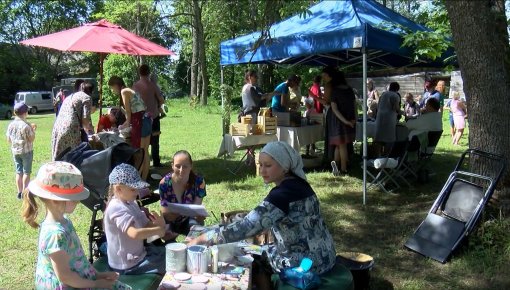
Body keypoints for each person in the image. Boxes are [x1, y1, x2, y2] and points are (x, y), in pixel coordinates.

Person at [188, 142, 336, 289]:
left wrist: (204, 238)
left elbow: (245, 227)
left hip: (303, 265)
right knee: (261, 248)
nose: (262, 171)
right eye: (260, 165)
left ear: (285, 167)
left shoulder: (281, 195)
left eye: (268, 166)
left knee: (251, 257)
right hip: (325, 255)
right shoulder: (302, 185)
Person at [21, 161, 126, 289]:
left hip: (79, 279)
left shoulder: (64, 221)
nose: (78, 201)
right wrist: (95, 284)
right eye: (74, 198)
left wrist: (97, 275)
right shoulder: (56, 235)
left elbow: (77, 259)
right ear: (55, 200)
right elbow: (65, 276)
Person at [104, 163, 166, 275]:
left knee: (168, 253)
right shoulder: (116, 207)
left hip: (138, 255)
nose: (137, 192)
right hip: (126, 266)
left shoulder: (131, 203)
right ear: (119, 189)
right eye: (133, 189)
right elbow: (134, 233)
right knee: (171, 261)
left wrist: (157, 224)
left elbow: (145, 226)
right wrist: (158, 230)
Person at [108, 76, 151, 180]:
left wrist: (121, 127)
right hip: (146, 120)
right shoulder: (130, 90)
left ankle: (138, 181)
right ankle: (143, 180)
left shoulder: (124, 92)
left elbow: (128, 114)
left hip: (139, 122)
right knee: (145, 152)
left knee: (139, 153)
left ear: (116, 85)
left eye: (112, 88)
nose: (113, 91)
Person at [159, 150, 207, 241]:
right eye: (178, 166)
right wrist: (171, 217)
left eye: (185, 166)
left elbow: (196, 208)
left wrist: (198, 216)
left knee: (196, 234)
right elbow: (165, 213)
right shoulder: (164, 183)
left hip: (189, 220)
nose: (181, 170)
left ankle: (189, 243)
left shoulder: (199, 182)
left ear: (191, 166)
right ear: (172, 165)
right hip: (171, 220)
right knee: (165, 236)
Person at [323, 67, 356, 175]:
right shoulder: (350, 89)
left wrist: (345, 121)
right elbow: (354, 105)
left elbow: (334, 109)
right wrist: (353, 119)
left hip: (338, 121)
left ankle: (343, 168)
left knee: (341, 144)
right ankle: (337, 166)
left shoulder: (336, 91)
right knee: (340, 144)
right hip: (349, 119)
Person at [51, 81, 95, 160]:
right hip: (70, 129)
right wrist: (92, 133)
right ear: (91, 91)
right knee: (73, 158)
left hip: (58, 127)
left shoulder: (70, 96)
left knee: (60, 157)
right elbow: (85, 121)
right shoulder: (87, 98)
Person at [133, 65, 165, 167]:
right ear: (149, 72)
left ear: (139, 73)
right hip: (154, 116)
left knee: (142, 142)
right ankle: (156, 161)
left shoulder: (135, 86)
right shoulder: (153, 85)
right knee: (155, 140)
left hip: (141, 117)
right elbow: (161, 100)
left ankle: (141, 162)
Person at [6, 102, 36, 199]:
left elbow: (8, 140)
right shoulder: (26, 126)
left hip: (15, 151)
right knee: (26, 172)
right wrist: (33, 129)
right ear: (25, 113)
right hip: (26, 151)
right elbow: (31, 139)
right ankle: (25, 192)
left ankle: (19, 192)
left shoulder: (11, 125)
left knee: (19, 172)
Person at [374, 82, 401, 146]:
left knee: (379, 137)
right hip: (389, 118)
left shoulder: (383, 94)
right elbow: (395, 107)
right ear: (397, 89)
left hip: (380, 117)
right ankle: (387, 155)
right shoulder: (395, 95)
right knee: (389, 138)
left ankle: (378, 154)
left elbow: (378, 105)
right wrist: (402, 112)